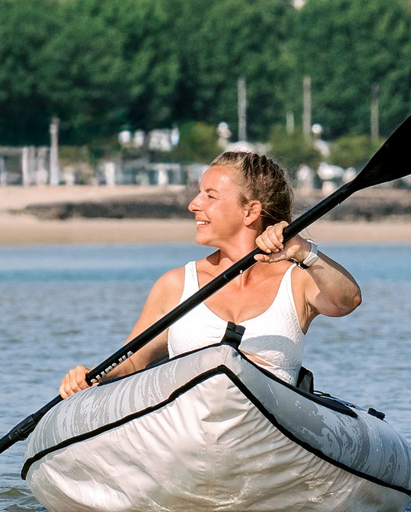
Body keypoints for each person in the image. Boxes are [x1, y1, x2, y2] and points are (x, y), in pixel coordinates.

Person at [59, 149, 361, 397]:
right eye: (198, 194)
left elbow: (348, 301)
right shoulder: (176, 284)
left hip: (269, 431)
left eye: (210, 196)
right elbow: (135, 360)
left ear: (250, 211)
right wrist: (92, 376)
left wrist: (303, 250)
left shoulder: (297, 279)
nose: (193, 205)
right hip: (184, 428)